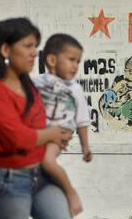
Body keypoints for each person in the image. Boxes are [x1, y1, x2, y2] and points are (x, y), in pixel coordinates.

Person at [0, 17, 73, 219]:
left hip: (39, 175)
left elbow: (37, 129)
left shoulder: (29, 87)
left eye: (35, 46)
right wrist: (52, 133)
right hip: (5, 180)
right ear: (6, 50)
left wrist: (58, 136)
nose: (35, 52)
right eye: (28, 46)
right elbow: (17, 138)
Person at [32, 33, 92, 216]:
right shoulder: (35, 82)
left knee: (48, 162)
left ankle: (70, 193)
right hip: (37, 132)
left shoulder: (75, 89)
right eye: (71, 59)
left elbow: (82, 120)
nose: (75, 66)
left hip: (59, 134)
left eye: (78, 61)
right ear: (51, 60)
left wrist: (85, 146)